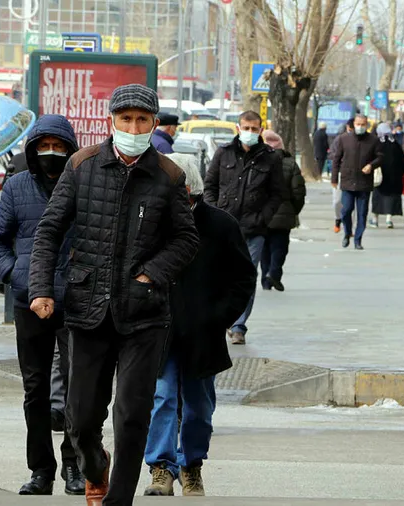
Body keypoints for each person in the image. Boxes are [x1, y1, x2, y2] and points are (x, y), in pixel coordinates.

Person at [28, 83, 200, 506]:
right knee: (81, 418)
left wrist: (150, 276)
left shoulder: (169, 175)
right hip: (87, 309)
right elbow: (49, 230)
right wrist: (41, 288)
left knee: (132, 414)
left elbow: (186, 240)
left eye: (142, 120)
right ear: (112, 121)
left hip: (144, 315)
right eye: (126, 119)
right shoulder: (82, 165)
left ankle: (118, 499)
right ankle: (93, 464)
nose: (133, 126)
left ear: (154, 124)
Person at [142, 153, 256, 497]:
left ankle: (191, 465)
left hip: (203, 334)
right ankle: (161, 467)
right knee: (162, 397)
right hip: (159, 328)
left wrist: (219, 316)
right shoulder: (151, 222)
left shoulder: (220, 225)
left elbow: (243, 277)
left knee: (199, 407)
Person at [0, 115, 84, 496]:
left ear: (71, 150)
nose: (52, 153)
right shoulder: (16, 187)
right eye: (44, 146)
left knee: (79, 389)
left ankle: (74, 465)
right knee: (35, 390)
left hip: (75, 301)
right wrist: (19, 278)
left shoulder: (83, 187)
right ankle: (41, 470)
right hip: (30, 303)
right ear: (32, 149)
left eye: (59, 147)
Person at [204, 111, 284, 345]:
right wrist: (214, 212)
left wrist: (263, 218)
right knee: (219, 275)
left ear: (261, 130)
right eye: (246, 127)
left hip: (253, 230)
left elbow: (277, 193)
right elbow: (210, 185)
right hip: (223, 228)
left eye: (254, 128)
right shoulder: (223, 153)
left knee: (246, 277)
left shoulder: (271, 158)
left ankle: (238, 325)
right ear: (238, 128)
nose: (250, 132)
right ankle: (220, 319)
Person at [259, 130, 306, 292]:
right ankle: (274, 273)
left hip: (261, 213)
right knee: (280, 246)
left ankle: (266, 277)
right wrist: (294, 210)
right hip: (284, 213)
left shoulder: (257, 162)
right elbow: (298, 191)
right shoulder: (290, 163)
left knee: (264, 247)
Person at [331, 114, 382, 250]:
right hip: (348, 181)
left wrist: (371, 165)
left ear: (367, 125)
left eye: (363, 124)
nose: (360, 127)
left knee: (362, 213)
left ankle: (358, 239)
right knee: (346, 210)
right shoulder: (344, 139)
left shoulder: (373, 140)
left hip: (364, 183)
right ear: (354, 124)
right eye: (358, 124)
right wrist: (334, 178)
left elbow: (380, 157)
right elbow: (336, 159)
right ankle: (347, 232)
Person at [370, 123, 404, 229]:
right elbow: (403, 161)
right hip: (394, 178)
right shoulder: (395, 144)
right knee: (391, 197)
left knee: (377, 197)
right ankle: (389, 219)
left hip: (380, 176)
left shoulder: (376, 143)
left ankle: (375, 220)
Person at [329, 120, 354, 234]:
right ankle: (337, 219)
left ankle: (349, 226)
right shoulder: (340, 139)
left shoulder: (362, 140)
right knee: (337, 201)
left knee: (351, 202)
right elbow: (333, 156)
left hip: (354, 175)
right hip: (340, 173)